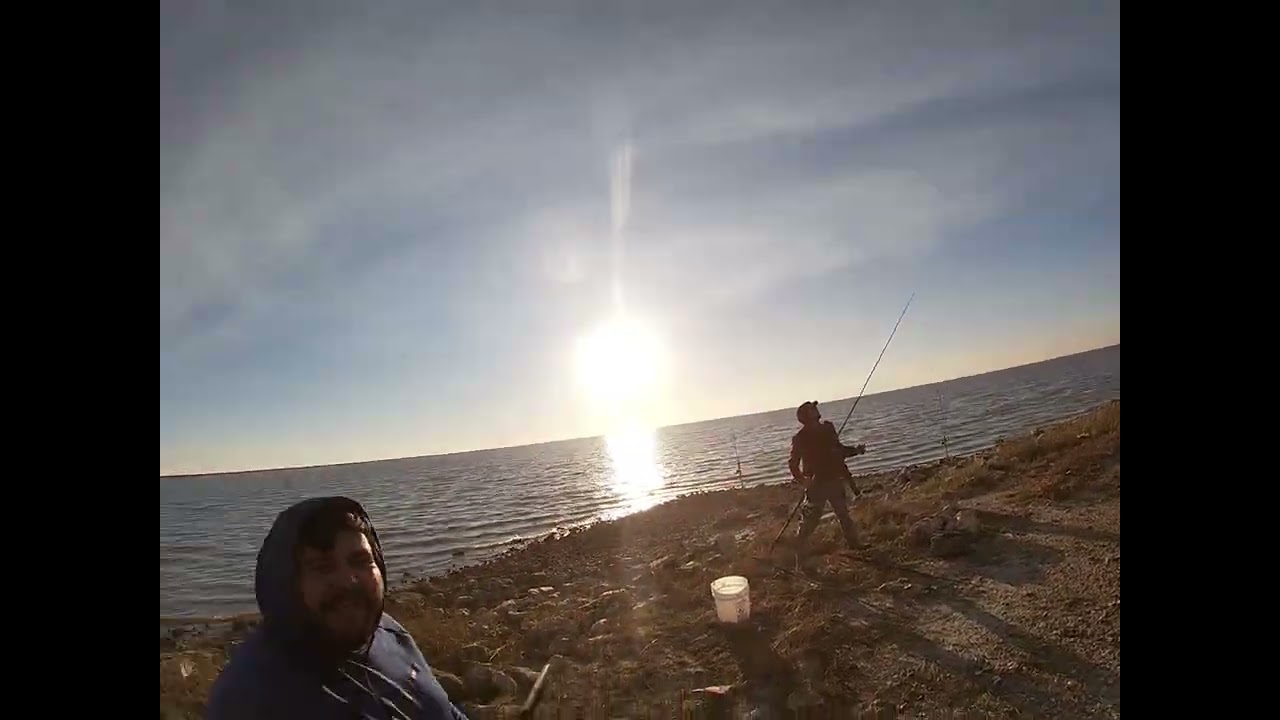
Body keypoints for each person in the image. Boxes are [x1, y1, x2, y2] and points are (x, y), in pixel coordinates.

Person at [207, 496, 468, 720]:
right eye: (322, 566)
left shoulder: (387, 632)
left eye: (361, 560)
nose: (348, 581)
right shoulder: (250, 698)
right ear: (286, 583)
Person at [788, 400, 867, 556]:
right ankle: (799, 551)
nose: (816, 409)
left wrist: (856, 450)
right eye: (811, 408)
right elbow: (793, 463)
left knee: (844, 515)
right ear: (805, 416)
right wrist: (803, 480)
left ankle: (854, 545)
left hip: (835, 479)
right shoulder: (800, 438)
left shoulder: (828, 428)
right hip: (816, 485)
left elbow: (839, 450)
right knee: (810, 521)